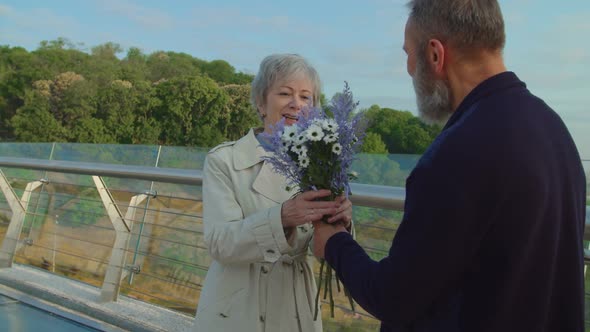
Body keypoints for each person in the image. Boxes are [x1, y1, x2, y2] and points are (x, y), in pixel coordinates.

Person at [312, 1, 587, 331]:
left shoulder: (457, 152)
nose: (410, 68)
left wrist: (333, 243)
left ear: (435, 55)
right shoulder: (554, 130)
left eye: (408, 54)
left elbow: (393, 297)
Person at [193, 53, 353, 332]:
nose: (296, 104)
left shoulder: (320, 165)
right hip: (239, 308)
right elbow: (219, 243)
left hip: (296, 308)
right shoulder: (224, 160)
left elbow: (322, 251)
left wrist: (342, 222)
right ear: (260, 102)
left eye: (306, 97)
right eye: (284, 93)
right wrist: (281, 218)